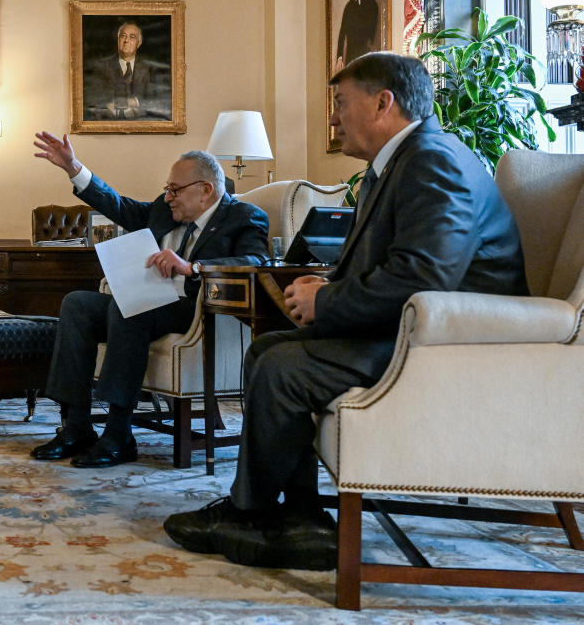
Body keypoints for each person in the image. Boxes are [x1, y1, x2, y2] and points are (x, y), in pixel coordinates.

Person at [162, 52, 528, 570]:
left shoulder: (434, 161)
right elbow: (401, 263)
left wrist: (327, 300)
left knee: (284, 366)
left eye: (339, 102)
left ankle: (254, 513)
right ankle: (300, 517)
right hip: (410, 331)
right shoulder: (399, 164)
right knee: (268, 348)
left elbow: (425, 278)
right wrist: (328, 283)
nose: (332, 117)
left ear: (384, 103)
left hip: (450, 347)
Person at [29, 132, 269, 467]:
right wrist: (73, 167)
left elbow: (257, 262)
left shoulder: (243, 216)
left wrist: (192, 267)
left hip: (198, 311)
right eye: (166, 189)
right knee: (78, 304)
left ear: (206, 190)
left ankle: (118, 434)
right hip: (154, 303)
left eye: (175, 189)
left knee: (132, 307)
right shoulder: (165, 210)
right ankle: (77, 426)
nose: (168, 197)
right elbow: (120, 206)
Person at [86, 22, 169, 119]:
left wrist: (133, 102)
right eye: (123, 36)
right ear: (118, 40)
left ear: (139, 43)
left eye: (132, 37)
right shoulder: (102, 67)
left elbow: (160, 100)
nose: (126, 40)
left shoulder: (150, 69)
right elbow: (92, 99)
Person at [333, 0, 381, 73]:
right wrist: (340, 57)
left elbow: (375, 12)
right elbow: (342, 34)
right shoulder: (348, 8)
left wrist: (371, 38)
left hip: (365, 52)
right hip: (351, 56)